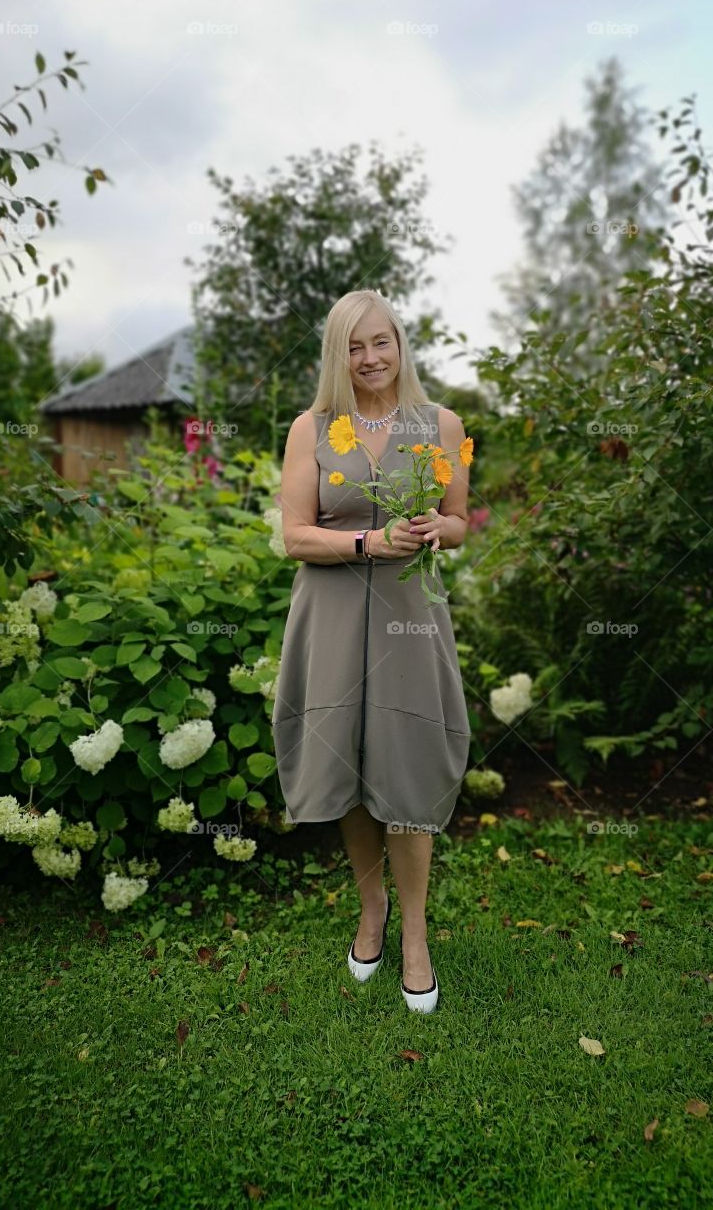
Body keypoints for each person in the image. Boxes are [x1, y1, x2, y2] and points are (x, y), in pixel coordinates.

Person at [272, 288, 472, 1013]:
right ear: (338, 354)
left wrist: (429, 529)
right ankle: (372, 910)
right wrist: (366, 540)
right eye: (354, 347)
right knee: (350, 759)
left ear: (400, 344)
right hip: (330, 614)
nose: (370, 359)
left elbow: (458, 524)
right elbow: (295, 535)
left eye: (381, 342)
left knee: (407, 758)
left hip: (409, 614)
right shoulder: (314, 429)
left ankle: (415, 932)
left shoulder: (439, 424)